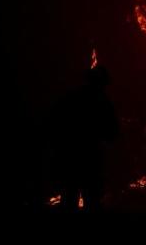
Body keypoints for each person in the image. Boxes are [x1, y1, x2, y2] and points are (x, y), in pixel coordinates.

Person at [51, 65, 119, 211]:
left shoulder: (72, 98)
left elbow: (55, 124)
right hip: (89, 158)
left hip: (71, 157)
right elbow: (112, 132)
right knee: (91, 199)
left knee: (70, 198)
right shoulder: (102, 102)